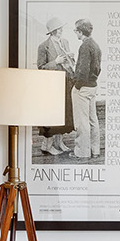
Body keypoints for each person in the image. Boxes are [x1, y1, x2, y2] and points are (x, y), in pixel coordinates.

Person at [37, 16, 75, 155]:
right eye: (59, 29)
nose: (61, 31)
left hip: (66, 83)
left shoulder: (65, 42)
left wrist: (71, 58)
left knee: (65, 114)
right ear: (52, 31)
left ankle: (60, 142)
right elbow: (41, 68)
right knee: (52, 115)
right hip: (52, 86)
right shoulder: (43, 46)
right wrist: (56, 61)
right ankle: (47, 146)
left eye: (61, 29)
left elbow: (70, 63)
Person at [69, 18, 102, 160]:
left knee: (82, 122)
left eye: (76, 30)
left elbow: (82, 71)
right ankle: (95, 151)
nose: (75, 33)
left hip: (82, 88)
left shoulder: (84, 46)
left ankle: (82, 153)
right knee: (92, 120)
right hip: (93, 87)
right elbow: (97, 69)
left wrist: (77, 86)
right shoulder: (96, 45)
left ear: (80, 31)